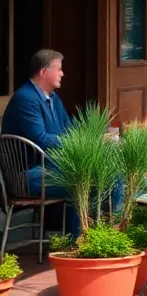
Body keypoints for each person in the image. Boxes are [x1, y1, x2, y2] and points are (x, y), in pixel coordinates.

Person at [1, 50, 120, 234]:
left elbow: (70, 129)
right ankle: (77, 243)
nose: (62, 73)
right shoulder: (26, 99)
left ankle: (108, 234)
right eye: (59, 69)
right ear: (43, 72)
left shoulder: (53, 98)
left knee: (113, 177)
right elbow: (40, 138)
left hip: (51, 167)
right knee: (82, 181)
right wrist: (81, 145)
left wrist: (96, 138)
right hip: (28, 174)